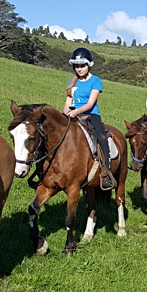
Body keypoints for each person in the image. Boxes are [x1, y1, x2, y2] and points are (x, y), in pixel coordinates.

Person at [62, 47, 115, 190]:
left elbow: (90, 103)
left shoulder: (96, 81)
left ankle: (106, 172)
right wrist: (64, 114)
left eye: (82, 66)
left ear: (89, 65)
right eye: (76, 66)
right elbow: (67, 103)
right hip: (72, 114)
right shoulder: (71, 81)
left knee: (102, 137)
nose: (79, 69)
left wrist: (76, 112)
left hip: (91, 115)